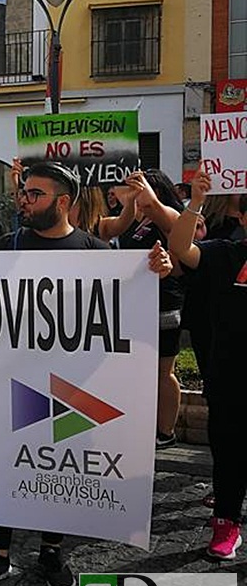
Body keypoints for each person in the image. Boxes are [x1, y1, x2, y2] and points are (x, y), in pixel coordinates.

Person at [0, 162, 171, 586]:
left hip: (72, 387)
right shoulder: (7, 246)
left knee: (59, 471)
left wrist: (156, 268)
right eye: (24, 192)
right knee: (3, 469)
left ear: (63, 202)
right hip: (11, 382)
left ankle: (51, 550)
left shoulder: (97, 252)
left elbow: (126, 301)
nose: (24, 200)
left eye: (35, 194)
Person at [168, 171, 247, 560]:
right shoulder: (223, 254)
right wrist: (195, 201)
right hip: (229, 380)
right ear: (242, 219)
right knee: (229, 455)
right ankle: (226, 524)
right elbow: (181, 247)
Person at [100, 171, 184, 447]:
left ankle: (166, 431)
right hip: (135, 304)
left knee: (163, 370)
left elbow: (165, 218)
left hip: (164, 303)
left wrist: (145, 195)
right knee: (138, 370)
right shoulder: (132, 221)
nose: (124, 191)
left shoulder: (168, 216)